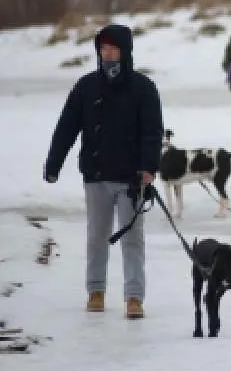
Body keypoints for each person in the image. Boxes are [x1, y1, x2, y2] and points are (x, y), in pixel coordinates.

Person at [43, 24, 164, 320]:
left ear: (125, 51)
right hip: (96, 175)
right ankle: (95, 291)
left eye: (113, 49)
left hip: (131, 178)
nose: (107, 54)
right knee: (97, 236)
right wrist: (54, 163)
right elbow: (67, 127)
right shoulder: (86, 87)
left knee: (132, 238)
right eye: (103, 49)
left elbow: (152, 132)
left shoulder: (143, 88)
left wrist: (149, 167)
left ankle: (134, 297)